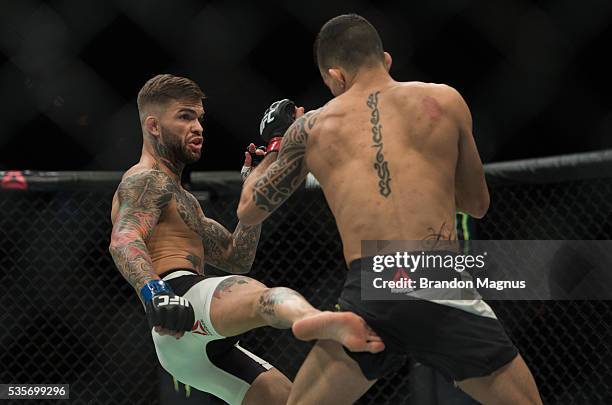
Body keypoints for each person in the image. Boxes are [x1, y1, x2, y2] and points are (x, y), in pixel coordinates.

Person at [238, 14, 543, 405]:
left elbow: (248, 211)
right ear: (386, 59)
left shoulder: (312, 127)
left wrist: (278, 143)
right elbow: (477, 205)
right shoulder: (445, 100)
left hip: (372, 288)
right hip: (437, 275)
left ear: (335, 77)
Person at [108, 74, 384, 405]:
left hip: (187, 346)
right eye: (185, 116)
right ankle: (313, 321)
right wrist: (156, 293)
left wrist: (255, 180)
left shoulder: (183, 198)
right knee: (262, 298)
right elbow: (124, 238)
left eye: (199, 118)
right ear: (153, 126)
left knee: (290, 401)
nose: (198, 127)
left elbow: (235, 255)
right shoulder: (145, 179)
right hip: (179, 298)